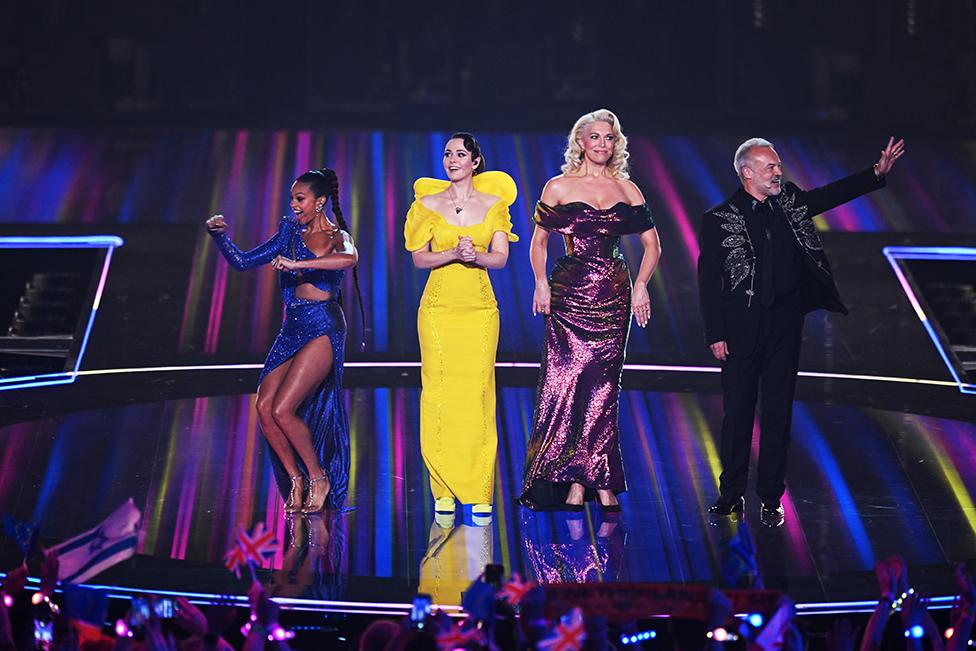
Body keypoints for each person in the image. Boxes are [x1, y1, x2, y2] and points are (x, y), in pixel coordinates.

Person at [699, 137, 904, 526]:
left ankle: (771, 495)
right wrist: (715, 333)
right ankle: (731, 494)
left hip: (784, 325)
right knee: (738, 413)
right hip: (741, 329)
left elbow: (830, 195)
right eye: (770, 167)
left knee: (778, 411)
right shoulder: (719, 218)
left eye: (778, 166)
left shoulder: (790, 202)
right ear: (747, 172)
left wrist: (875, 174)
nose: (778, 172)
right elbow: (709, 281)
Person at [519, 109, 661, 512]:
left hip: (612, 296)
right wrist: (541, 282)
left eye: (609, 138)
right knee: (566, 385)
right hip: (568, 295)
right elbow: (539, 242)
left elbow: (653, 246)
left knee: (603, 389)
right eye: (595, 137)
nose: (602, 144)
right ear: (581, 142)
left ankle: (597, 479)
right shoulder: (559, 186)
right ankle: (571, 477)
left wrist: (641, 287)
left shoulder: (628, 189)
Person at [206, 168, 363, 514]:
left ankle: (319, 477)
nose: (293, 205)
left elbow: (350, 258)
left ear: (319, 202)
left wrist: (298, 263)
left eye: (300, 198)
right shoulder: (289, 233)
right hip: (291, 328)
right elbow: (243, 261)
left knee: (283, 408)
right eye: (292, 198)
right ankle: (296, 479)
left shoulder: (338, 236)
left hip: (323, 326)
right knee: (264, 407)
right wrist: (218, 236)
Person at [404, 132, 518, 525]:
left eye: (460, 154)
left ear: (475, 161)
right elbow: (419, 260)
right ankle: (444, 489)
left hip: (479, 311)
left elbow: (501, 258)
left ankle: (478, 491)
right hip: (437, 310)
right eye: (447, 154)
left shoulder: (494, 205)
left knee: (477, 395)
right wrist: (452, 253)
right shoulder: (426, 205)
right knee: (437, 394)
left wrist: (478, 255)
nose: (452, 159)